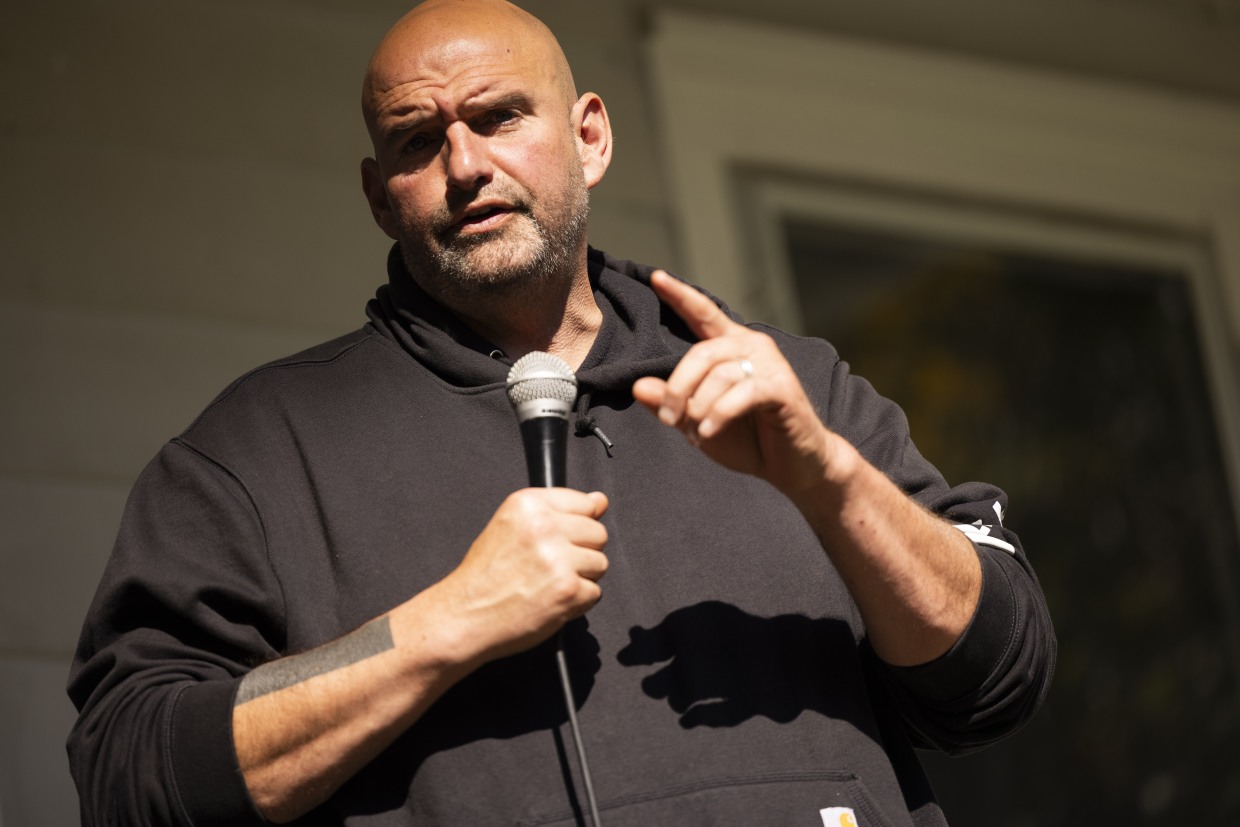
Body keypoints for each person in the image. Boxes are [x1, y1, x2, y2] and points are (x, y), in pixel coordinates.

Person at [66, 1, 1055, 824]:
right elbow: (133, 770)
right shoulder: (261, 450)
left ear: (590, 136)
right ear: (379, 196)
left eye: (497, 117)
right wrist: (440, 626)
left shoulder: (783, 386)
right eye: (418, 141)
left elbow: (996, 672)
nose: (464, 166)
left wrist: (828, 480)